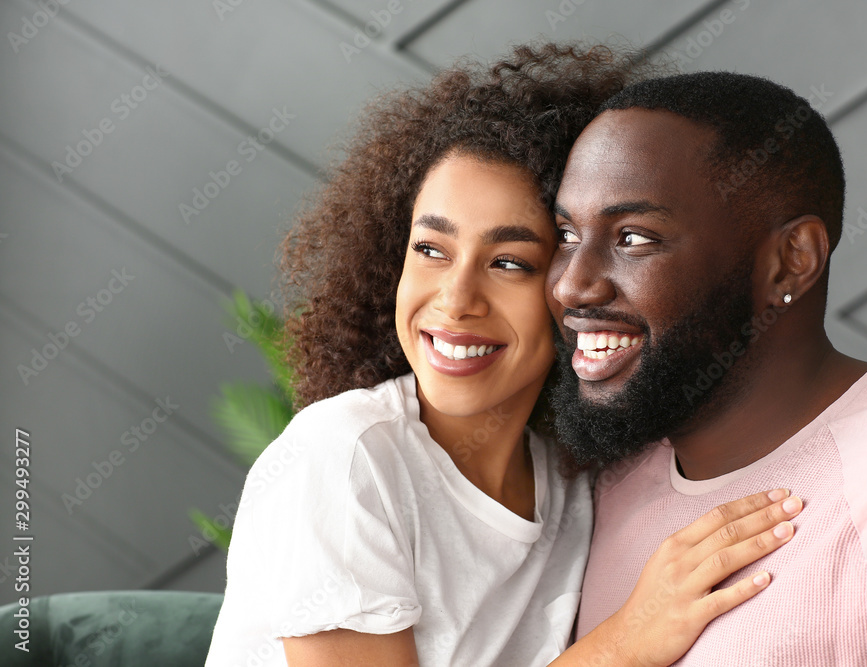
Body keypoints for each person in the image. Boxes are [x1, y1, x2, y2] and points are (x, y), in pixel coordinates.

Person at [205, 47, 804, 667]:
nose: (455, 299)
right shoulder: (347, 458)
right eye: (431, 249)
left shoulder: (571, 483)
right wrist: (625, 644)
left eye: (510, 263)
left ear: (576, 287)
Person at [546, 70, 867, 665]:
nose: (572, 285)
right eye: (566, 233)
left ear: (790, 261)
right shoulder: (595, 483)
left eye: (634, 238)